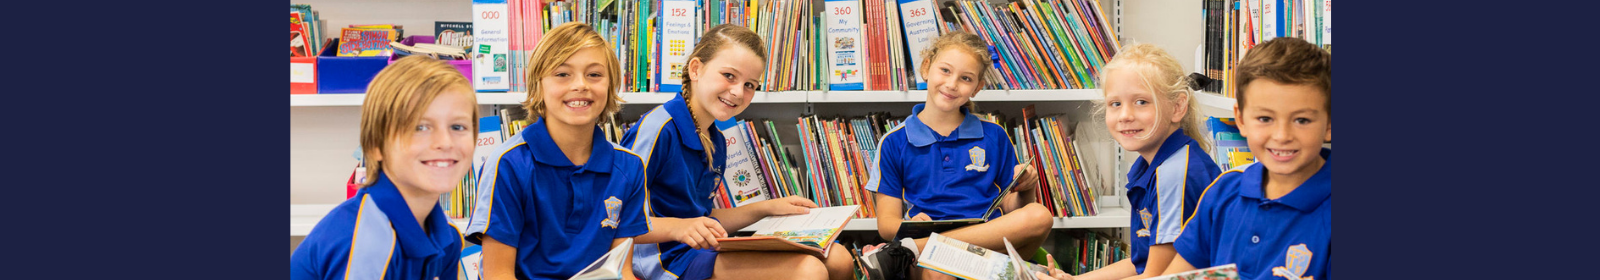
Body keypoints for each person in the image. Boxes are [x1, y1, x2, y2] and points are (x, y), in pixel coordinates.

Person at [623, 24, 855, 280]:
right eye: (729, 76)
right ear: (696, 69)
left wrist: (767, 208)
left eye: (750, 85)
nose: (737, 92)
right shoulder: (658, 128)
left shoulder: (716, 140)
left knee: (840, 259)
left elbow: (703, 218)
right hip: (662, 262)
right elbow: (615, 218)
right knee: (809, 271)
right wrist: (681, 227)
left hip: (699, 250)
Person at [465, 22, 650, 280]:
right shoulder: (509, 164)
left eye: (594, 75)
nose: (580, 85)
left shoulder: (629, 167)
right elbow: (498, 275)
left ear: (611, 85)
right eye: (562, 74)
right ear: (538, 85)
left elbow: (623, 271)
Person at [865, 31, 1050, 280]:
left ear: (977, 88)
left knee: (1041, 215)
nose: (952, 84)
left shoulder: (994, 136)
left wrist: (1027, 186)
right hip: (927, 256)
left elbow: (1012, 209)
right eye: (945, 70)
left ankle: (914, 249)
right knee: (941, 270)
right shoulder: (894, 142)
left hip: (984, 242)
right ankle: (921, 249)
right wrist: (907, 226)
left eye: (965, 78)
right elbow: (886, 225)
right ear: (926, 68)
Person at [290, 55, 477, 280]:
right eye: (420, 127)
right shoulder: (367, 242)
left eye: (458, 126)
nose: (445, 142)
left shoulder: (448, 235)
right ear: (376, 145)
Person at [1161, 37, 1332, 280]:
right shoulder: (1223, 193)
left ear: (1329, 124)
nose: (1282, 136)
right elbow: (1179, 274)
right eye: (1265, 119)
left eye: (1302, 120)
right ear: (1240, 120)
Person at [1063, 43, 1224, 280]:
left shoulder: (1174, 174)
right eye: (1115, 104)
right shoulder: (1152, 167)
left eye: (1141, 102)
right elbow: (1142, 263)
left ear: (1178, 107)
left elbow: (1156, 277)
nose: (1125, 115)